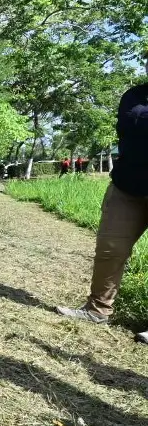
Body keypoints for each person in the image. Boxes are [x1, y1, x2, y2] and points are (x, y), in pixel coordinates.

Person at [56, 70, 148, 343]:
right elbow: (132, 127)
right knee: (110, 250)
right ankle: (97, 309)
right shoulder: (134, 97)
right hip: (126, 187)